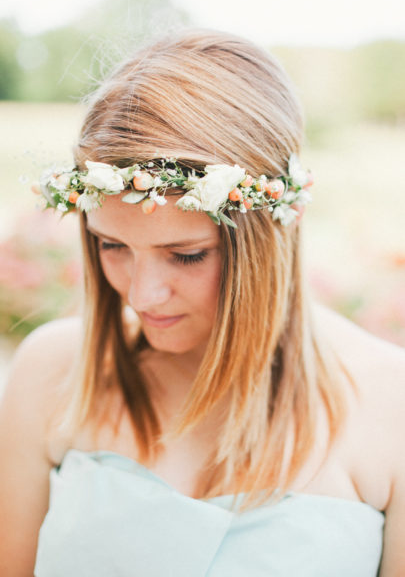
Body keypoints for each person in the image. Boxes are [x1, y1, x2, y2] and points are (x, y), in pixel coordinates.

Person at [1, 29, 404, 577]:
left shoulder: (389, 405)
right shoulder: (52, 374)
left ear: (278, 230)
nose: (142, 295)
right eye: (111, 245)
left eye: (186, 255)